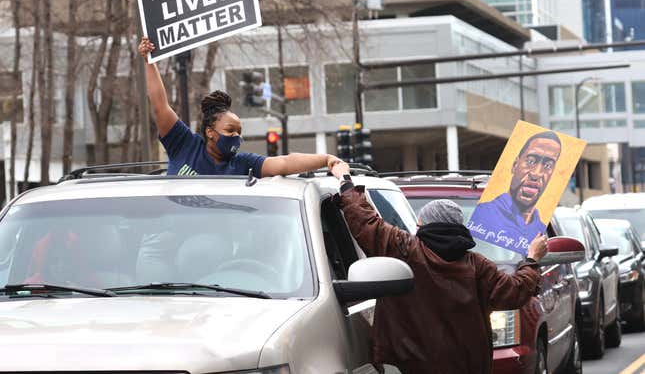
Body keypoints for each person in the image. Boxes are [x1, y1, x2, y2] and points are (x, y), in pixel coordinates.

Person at [331, 162, 547, 374]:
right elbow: (516, 291)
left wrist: (345, 181)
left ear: (423, 226)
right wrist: (532, 258)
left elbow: (365, 221)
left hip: (408, 366)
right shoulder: (478, 266)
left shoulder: (404, 248)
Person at [138, 37, 342, 177]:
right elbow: (160, 105)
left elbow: (285, 163)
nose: (236, 136)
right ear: (210, 131)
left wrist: (326, 159)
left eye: (239, 132)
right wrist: (149, 61)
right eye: (230, 130)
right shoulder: (184, 144)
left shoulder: (243, 164)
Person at [468, 131, 562, 253]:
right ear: (515, 164)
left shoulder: (541, 231)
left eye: (548, 165)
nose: (537, 173)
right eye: (531, 161)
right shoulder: (482, 214)